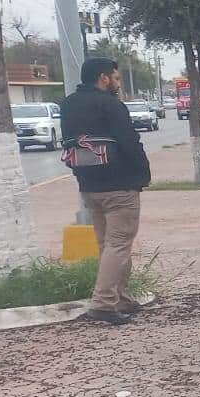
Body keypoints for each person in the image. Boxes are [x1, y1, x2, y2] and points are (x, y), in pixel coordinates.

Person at [61, 56, 152, 325]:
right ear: (103, 78)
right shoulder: (111, 105)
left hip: (88, 186)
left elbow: (69, 144)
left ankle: (119, 297)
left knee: (108, 245)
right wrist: (143, 173)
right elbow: (129, 142)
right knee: (119, 244)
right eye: (115, 77)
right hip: (119, 185)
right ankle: (103, 303)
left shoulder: (67, 105)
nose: (116, 82)